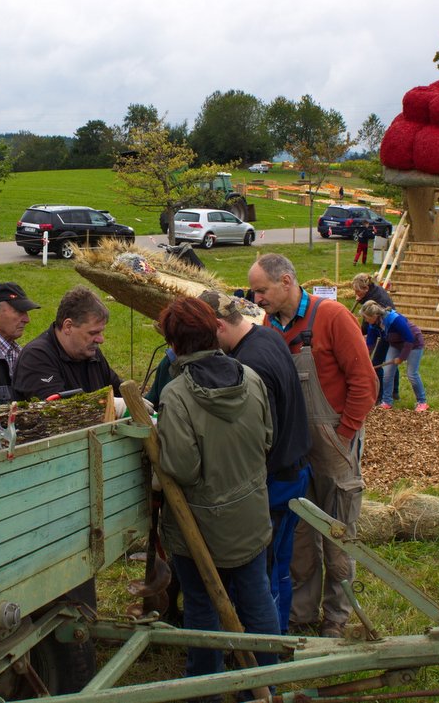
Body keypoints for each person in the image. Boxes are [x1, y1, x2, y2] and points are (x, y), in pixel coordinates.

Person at [247, 254, 377, 638]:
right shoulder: (269, 325)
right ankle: (300, 615)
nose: (256, 297)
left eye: (261, 289)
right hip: (294, 449)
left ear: (286, 282)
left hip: (333, 443)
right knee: (300, 537)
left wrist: (344, 435)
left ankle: (336, 618)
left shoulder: (331, 316)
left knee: (337, 536)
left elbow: (365, 383)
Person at [154, 296, 280, 679]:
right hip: (251, 516)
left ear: (175, 344)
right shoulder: (249, 377)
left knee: (202, 608)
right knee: (257, 599)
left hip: (201, 529)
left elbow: (183, 469)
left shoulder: (177, 396)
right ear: (213, 332)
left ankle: (205, 686)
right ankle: (264, 682)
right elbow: (268, 438)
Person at [200, 290, 311, 631]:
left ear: (219, 326)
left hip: (275, 481)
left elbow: (258, 438)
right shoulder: (267, 337)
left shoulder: (248, 366)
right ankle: (279, 638)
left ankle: (268, 650)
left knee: (265, 571)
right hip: (295, 469)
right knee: (280, 564)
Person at [12, 285, 122, 400]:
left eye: (100, 332)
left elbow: (120, 391)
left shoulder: (91, 354)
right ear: (68, 326)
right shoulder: (36, 357)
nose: (101, 339)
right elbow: (61, 412)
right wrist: (115, 405)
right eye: (93, 333)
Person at [361, 301, 427, 412]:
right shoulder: (373, 325)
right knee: (387, 372)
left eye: (366, 318)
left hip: (414, 343)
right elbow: (370, 344)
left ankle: (422, 402)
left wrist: (401, 357)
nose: (365, 320)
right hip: (396, 344)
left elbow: (409, 339)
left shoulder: (395, 319)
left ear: (374, 316)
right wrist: (365, 361)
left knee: (412, 374)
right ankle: (387, 402)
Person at [351, 273, 397, 404]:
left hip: (388, 330)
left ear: (366, 288)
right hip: (383, 329)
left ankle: (380, 395)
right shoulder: (374, 290)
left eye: (358, 291)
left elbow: (367, 322)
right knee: (390, 361)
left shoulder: (373, 299)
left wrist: (357, 333)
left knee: (376, 362)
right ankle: (395, 391)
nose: (356, 293)